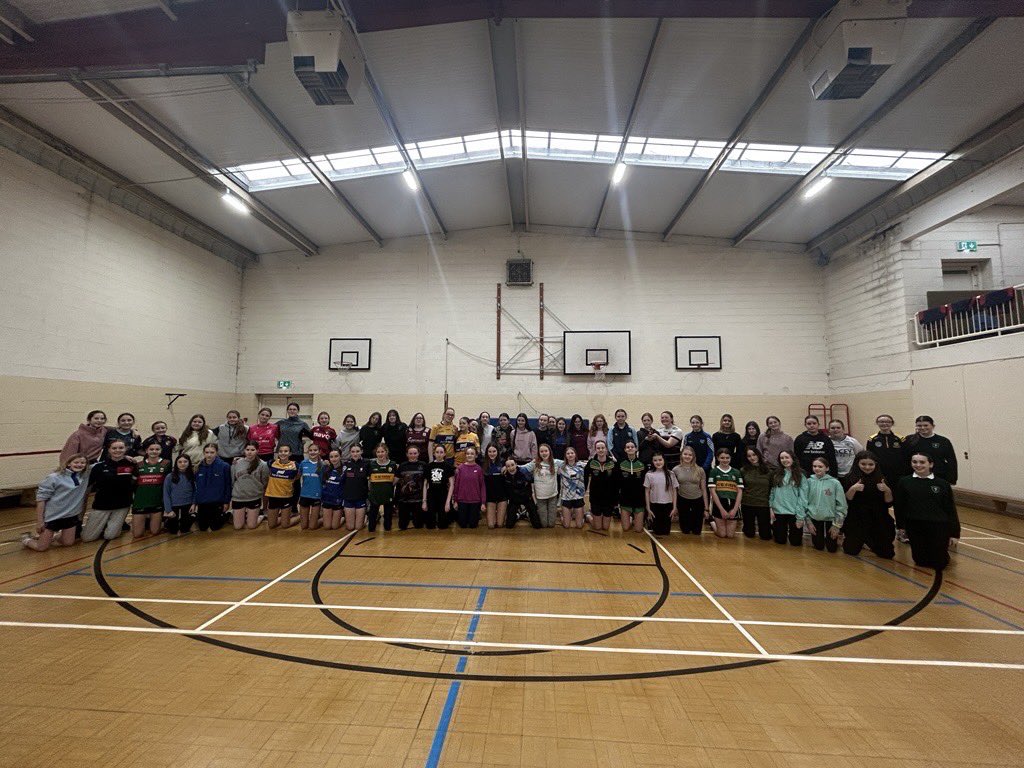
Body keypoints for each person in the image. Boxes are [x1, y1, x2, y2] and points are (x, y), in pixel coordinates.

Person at [894, 452, 960, 570]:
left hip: (938, 525)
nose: (918, 465)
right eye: (914, 462)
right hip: (915, 525)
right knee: (921, 561)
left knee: (940, 562)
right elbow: (900, 506)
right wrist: (901, 526)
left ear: (931, 464)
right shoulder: (904, 482)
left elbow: (950, 509)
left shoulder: (942, 484)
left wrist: (955, 533)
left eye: (922, 462)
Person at [22, 454, 90, 551]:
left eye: (83, 463)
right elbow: (41, 499)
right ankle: (26, 539)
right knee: (41, 547)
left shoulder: (84, 476)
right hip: (53, 516)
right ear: (69, 464)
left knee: (68, 543)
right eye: (76, 462)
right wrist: (40, 521)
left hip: (70, 515)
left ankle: (52, 537)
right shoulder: (54, 477)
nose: (79, 465)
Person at [841, 451, 895, 559]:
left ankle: (870, 540)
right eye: (863, 464)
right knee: (851, 550)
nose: (867, 467)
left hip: (878, 517)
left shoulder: (882, 478)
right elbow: (847, 500)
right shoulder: (849, 477)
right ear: (857, 463)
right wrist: (853, 489)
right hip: (857, 517)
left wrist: (887, 490)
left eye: (871, 464)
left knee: (887, 554)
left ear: (875, 465)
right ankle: (863, 539)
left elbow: (889, 502)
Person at [82, 439, 136, 542]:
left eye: (121, 448)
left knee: (110, 536)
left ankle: (112, 526)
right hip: (102, 504)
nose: (117, 450)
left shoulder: (132, 465)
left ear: (125, 449)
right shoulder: (99, 467)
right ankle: (102, 525)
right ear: (109, 450)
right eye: (114, 448)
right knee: (87, 538)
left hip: (122, 504)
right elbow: (88, 485)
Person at [799, 457, 847, 552]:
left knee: (831, 549)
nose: (817, 468)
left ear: (827, 468)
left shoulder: (835, 483)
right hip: (814, 517)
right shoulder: (808, 482)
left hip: (831, 519)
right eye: (814, 466)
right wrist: (808, 521)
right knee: (818, 546)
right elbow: (804, 502)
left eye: (820, 466)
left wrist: (837, 525)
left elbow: (842, 505)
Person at [905, 416, 958, 484]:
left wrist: (952, 479)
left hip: (938, 475)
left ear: (933, 426)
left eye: (926, 425)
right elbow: (905, 459)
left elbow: (952, 461)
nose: (922, 428)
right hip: (915, 476)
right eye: (919, 426)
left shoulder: (943, 441)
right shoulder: (909, 439)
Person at [131, 442, 169, 538]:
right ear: (146, 451)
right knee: (137, 534)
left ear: (161, 451)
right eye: (151, 449)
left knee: (155, 532)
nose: (154, 451)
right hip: (140, 502)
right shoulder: (139, 465)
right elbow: (132, 484)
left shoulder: (166, 464)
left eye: (157, 449)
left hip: (157, 502)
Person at [769, 450, 805, 547]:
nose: (784, 460)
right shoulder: (776, 474)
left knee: (795, 542)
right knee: (780, 541)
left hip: (794, 512)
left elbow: (803, 497)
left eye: (787, 457)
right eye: (782, 458)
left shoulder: (801, 474)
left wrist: (800, 516)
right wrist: (771, 508)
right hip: (779, 511)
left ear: (793, 458)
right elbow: (772, 492)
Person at [231, 442, 269, 530]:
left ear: (257, 451)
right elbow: (232, 479)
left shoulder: (263, 464)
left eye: (252, 450)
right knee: (238, 526)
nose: (249, 452)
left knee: (251, 526)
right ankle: (243, 515)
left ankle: (260, 516)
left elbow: (265, 481)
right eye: (247, 450)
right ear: (244, 450)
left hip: (254, 497)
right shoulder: (236, 463)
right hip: (238, 497)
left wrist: (256, 489)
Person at [523, 443, 563, 528]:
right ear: (539, 453)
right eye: (541, 451)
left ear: (550, 452)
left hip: (552, 495)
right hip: (540, 497)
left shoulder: (556, 462)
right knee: (544, 524)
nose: (544, 453)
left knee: (551, 524)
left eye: (546, 451)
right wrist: (508, 466)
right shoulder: (535, 463)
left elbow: (569, 463)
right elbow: (522, 468)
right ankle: (528, 514)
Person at [193, 443, 231, 532]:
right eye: (207, 452)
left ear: (216, 453)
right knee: (202, 528)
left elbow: (228, 485)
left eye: (212, 452)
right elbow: (195, 487)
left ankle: (227, 515)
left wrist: (226, 502)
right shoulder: (198, 467)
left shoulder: (224, 466)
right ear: (203, 453)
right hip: (203, 502)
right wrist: (194, 502)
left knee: (215, 527)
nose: (209, 455)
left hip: (217, 502)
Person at [708, 447, 744, 539]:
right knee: (722, 534)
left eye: (727, 458)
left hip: (733, 503)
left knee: (730, 535)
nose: (725, 460)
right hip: (719, 503)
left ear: (730, 458)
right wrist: (721, 509)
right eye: (722, 458)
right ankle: (712, 523)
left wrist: (735, 509)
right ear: (717, 458)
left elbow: (740, 492)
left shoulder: (736, 472)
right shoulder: (714, 471)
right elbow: (713, 492)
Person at [866, 414, 909, 488]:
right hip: (880, 472)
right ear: (877, 423)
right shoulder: (872, 439)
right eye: (881, 422)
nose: (884, 424)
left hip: (898, 472)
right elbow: (870, 457)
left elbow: (906, 455)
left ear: (892, 423)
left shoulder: (900, 439)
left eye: (888, 422)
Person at [672, 446, 707, 535]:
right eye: (685, 454)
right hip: (682, 499)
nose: (687, 456)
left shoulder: (700, 470)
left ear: (693, 456)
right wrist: (674, 506)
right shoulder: (675, 470)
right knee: (685, 531)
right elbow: (673, 490)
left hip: (698, 500)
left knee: (697, 531)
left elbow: (703, 489)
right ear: (681, 455)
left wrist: (706, 508)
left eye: (690, 455)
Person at [449, 445, 485, 529]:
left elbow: (482, 486)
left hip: (475, 501)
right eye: (468, 453)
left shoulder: (479, 469)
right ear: (465, 455)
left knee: (473, 525)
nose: (469, 455)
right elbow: (456, 485)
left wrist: (483, 502)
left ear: (476, 455)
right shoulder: (460, 468)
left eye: (472, 454)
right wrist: (455, 501)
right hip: (462, 500)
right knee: (463, 525)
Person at [585, 440, 618, 531]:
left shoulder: (612, 463)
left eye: (602, 448)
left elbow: (616, 481)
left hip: (609, 498)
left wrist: (616, 499)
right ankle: (588, 516)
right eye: (598, 448)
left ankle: (598, 517)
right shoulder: (591, 462)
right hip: (596, 498)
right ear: (595, 450)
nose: (601, 450)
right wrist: (584, 490)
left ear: (606, 449)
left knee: (606, 527)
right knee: (598, 527)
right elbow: (585, 477)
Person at [740, 447, 772, 541]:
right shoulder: (743, 470)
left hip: (763, 504)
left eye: (754, 455)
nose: (752, 458)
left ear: (758, 455)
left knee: (765, 536)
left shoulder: (768, 471)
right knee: (749, 534)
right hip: (748, 503)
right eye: (749, 456)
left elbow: (772, 488)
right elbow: (741, 487)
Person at [264, 445, 299, 529]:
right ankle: (284, 518)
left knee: (285, 525)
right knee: (271, 525)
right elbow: (258, 462)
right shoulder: (271, 463)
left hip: (286, 497)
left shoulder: (295, 465)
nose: (283, 453)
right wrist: (239, 460)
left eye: (286, 451)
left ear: (290, 453)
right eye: (281, 451)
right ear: (278, 453)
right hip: (273, 496)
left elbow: (299, 476)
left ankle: (301, 517)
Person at [644, 453, 678, 536]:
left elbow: (674, 491)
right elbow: (647, 492)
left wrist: (674, 507)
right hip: (655, 505)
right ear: (652, 462)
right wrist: (648, 508)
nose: (658, 462)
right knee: (658, 532)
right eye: (655, 460)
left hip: (668, 505)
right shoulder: (649, 474)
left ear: (664, 460)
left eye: (660, 460)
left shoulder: (671, 474)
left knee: (666, 532)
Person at [367, 445, 399, 532]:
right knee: (371, 528)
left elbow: (396, 478)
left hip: (388, 494)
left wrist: (388, 485)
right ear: (376, 453)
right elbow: (369, 480)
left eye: (382, 451)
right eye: (378, 452)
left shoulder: (392, 464)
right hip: (375, 495)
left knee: (388, 527)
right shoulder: (371, 464)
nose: (380, 454)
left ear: (386, 452)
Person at [502, 458, 541, 529]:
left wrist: (533, 498)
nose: (511, 468)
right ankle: (518, 515)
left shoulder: (524, 472)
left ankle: (527, 514)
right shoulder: (505, 475)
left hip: (526, 498)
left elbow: (532, 484)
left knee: (537, 525)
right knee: (509, 525)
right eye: (508, 466)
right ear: (506, 467)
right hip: (514, 500)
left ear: (516, 465)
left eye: (512, 465)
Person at [617, 441, 647, 532]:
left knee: (638, 530)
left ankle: (636, 519)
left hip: (639, 499)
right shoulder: (620, 463)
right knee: (625, 528)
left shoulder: (643, 463)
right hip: (625, 498)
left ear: (636, 448)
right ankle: (630, 518)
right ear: (625, 450)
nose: (630, 448)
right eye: (628, 447)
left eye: (632, 447)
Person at [162, 454, 196, 534]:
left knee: (185, 530)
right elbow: (166, 493)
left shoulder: (192, 476)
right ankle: (167, 522)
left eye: (185, 462)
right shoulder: (169, 476)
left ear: (189, 463)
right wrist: (168, 510)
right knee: (173, 531)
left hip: (187, 504)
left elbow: (195, 491)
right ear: (176, 463)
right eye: (180, 462)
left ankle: (188, 519)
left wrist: (193, 503)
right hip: (174, 505)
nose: (182, 464)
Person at [397, 446, 427, 531]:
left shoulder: (423, 465)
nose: (413, 455)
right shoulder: (402, 465)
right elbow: (396, 481)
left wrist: (425, 500)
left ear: (418, 454)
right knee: (402, 526)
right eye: (410, 453)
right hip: (404, 500)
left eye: (415, 453)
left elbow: (426, 482)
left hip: (418, 500)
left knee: (419, 526)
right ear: (407, 454)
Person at [341, 444, 370, 532]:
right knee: (350, 527)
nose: (355, 454)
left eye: (357, 451)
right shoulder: (346, 464)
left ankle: (366, 517)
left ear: (362, 451)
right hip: (348, 498)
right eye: (353, 452)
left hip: (361, 498)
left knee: (358, 527)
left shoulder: (367, 463)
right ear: (350, 452)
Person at [425, 445, 455, 529]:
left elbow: (451, 485)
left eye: (441, 452)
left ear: (445, 454)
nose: (439, 454)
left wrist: (448, 502)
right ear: (434, 453)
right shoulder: (429, 466)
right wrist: (424, 501)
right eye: (437, 452)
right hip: (431, 494)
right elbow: (425, 484)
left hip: (443, 495)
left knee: (443, 525)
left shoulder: (448, 466)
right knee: (430, 525)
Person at [298, 443, 326, 530]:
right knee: (304, 526)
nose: (313, 452)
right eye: (310, 450)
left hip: (316, 495)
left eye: (315, 450)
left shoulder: (323, 465)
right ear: (307, 452)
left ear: (319, 452)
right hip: (304, 495)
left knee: (312, 527)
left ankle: (325, 519)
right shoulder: (303, 463)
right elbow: (297, 476)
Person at [559, 446, 588, 529]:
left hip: (578, 497)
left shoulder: (582, 465)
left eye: (572, 453)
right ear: (565, 455)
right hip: (566, 497)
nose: (570, 455)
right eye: (568, 453)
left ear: (575, 454)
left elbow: (593, 462)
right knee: (566, 525)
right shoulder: (561, 466)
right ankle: (563, 516)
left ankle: (586, 515)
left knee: (579, 525)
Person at [481, 443, 508, 529]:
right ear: (487, 452)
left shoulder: (503, 462)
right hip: (490, 497)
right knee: (491, 525)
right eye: (490, 451)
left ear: (498, 452)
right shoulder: (483, 464)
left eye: (494, 451)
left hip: (502, 496)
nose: (492, 453)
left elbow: (515, 467)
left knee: (500, 525)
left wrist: (507, 468)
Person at [320, 449, 346, 531]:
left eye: (336, 456)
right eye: (331, 457)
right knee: (327, 527)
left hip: (338, 501)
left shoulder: (345, 469)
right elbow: (322, 482)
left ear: (340, 457)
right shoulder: (325, 468)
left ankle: (344, 518)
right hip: (327, 500)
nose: (334, 459)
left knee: (335, 526)